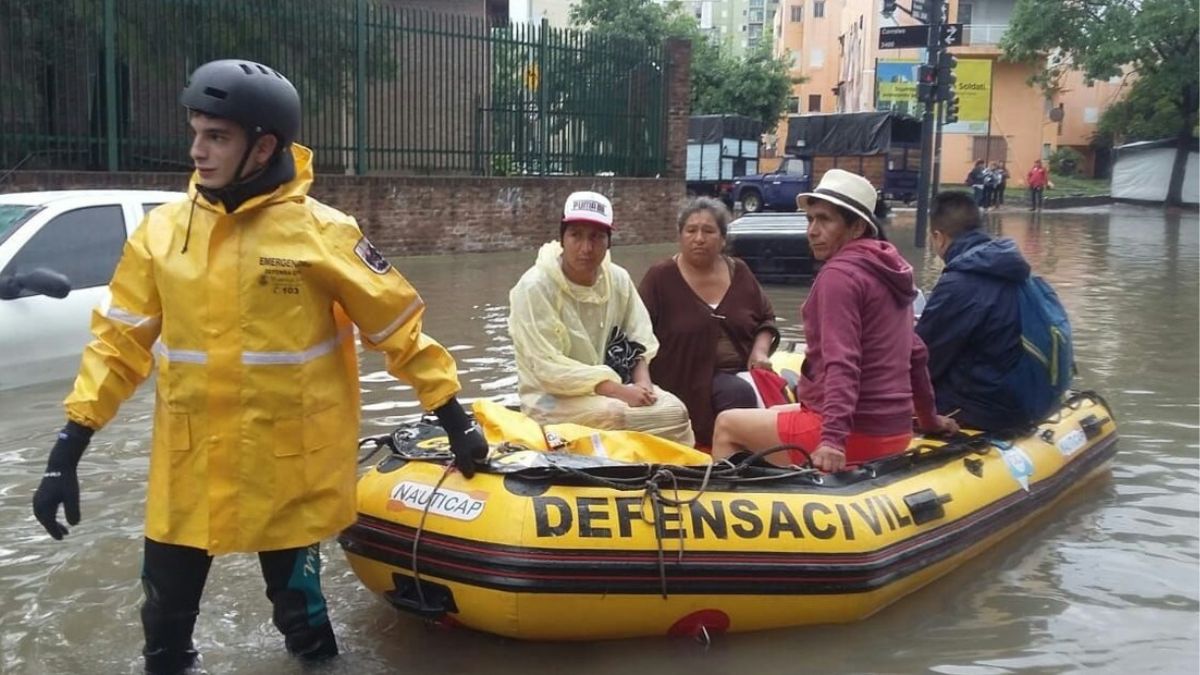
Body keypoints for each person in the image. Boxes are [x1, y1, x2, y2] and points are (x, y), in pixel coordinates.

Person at [29, 59, 488, 674]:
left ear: (263, 145)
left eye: (216, 136)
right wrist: (68, 447)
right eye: (194, 132)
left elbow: (398, 331)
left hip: (285, 470)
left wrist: (455, 417)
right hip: (187, 468)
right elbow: (119, 345)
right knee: (162, 629)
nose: (197, 150)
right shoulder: (161, 236)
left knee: (302, 620)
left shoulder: (323, 234)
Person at [710, 170, 957, 472]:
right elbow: (916, 353)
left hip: (856, 432)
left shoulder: (839, 276)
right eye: (810, 219)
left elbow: (842, 363)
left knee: (726, 424)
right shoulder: (891, 272)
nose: (812, 230)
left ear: (856, 227)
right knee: (776, 411)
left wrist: (833, 441)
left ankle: (739, 506)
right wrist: (930, 420)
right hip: (896, 428)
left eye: (824, 220)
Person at [508, 191, 694, 445]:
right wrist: (618, 391)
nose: (586, 248)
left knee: (677, 411)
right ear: (562, 238)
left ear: (609, 242)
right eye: (576, 235)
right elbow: (547, 368)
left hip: (617, 389)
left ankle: (681, 473)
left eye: (596, 237)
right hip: (550, 396)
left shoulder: (617, 279)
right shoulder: (535, 287)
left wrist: (643, 384)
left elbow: (638, 337)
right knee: (613, 414)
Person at [917, 191, 1066, 431]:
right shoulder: (1013, 268)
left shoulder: (960, 283)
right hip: (1025, 398)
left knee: (896, 396)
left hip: (988, 409)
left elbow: (923, 359)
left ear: (938, 237)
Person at [638, 197, 780, 448]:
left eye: (708, 231)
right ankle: (733, 461)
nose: (699, 238)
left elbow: (766, 319)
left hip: (742, 370)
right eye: (691, 231)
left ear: (723, 239)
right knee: (737, 393)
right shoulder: (660, 278)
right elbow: (636, 334)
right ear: (680, 236)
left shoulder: (740, 272)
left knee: (785, 393)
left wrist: (759, 351)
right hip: (684, 377)